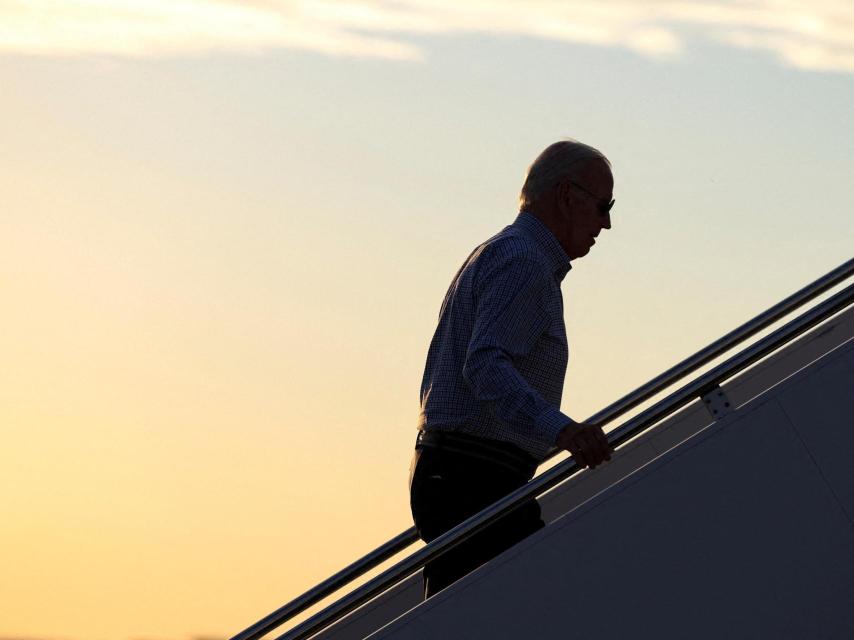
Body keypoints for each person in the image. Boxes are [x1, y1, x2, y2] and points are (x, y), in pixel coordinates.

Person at [409, 139, 616, 599]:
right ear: (567, 196)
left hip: (459, 473)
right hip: (476, 476)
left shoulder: (502, 252)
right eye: (604, 206)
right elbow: (485, 366)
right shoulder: (523, 262)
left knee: (474, 615)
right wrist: (563, 432)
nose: (606, 222)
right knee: (536, 603)